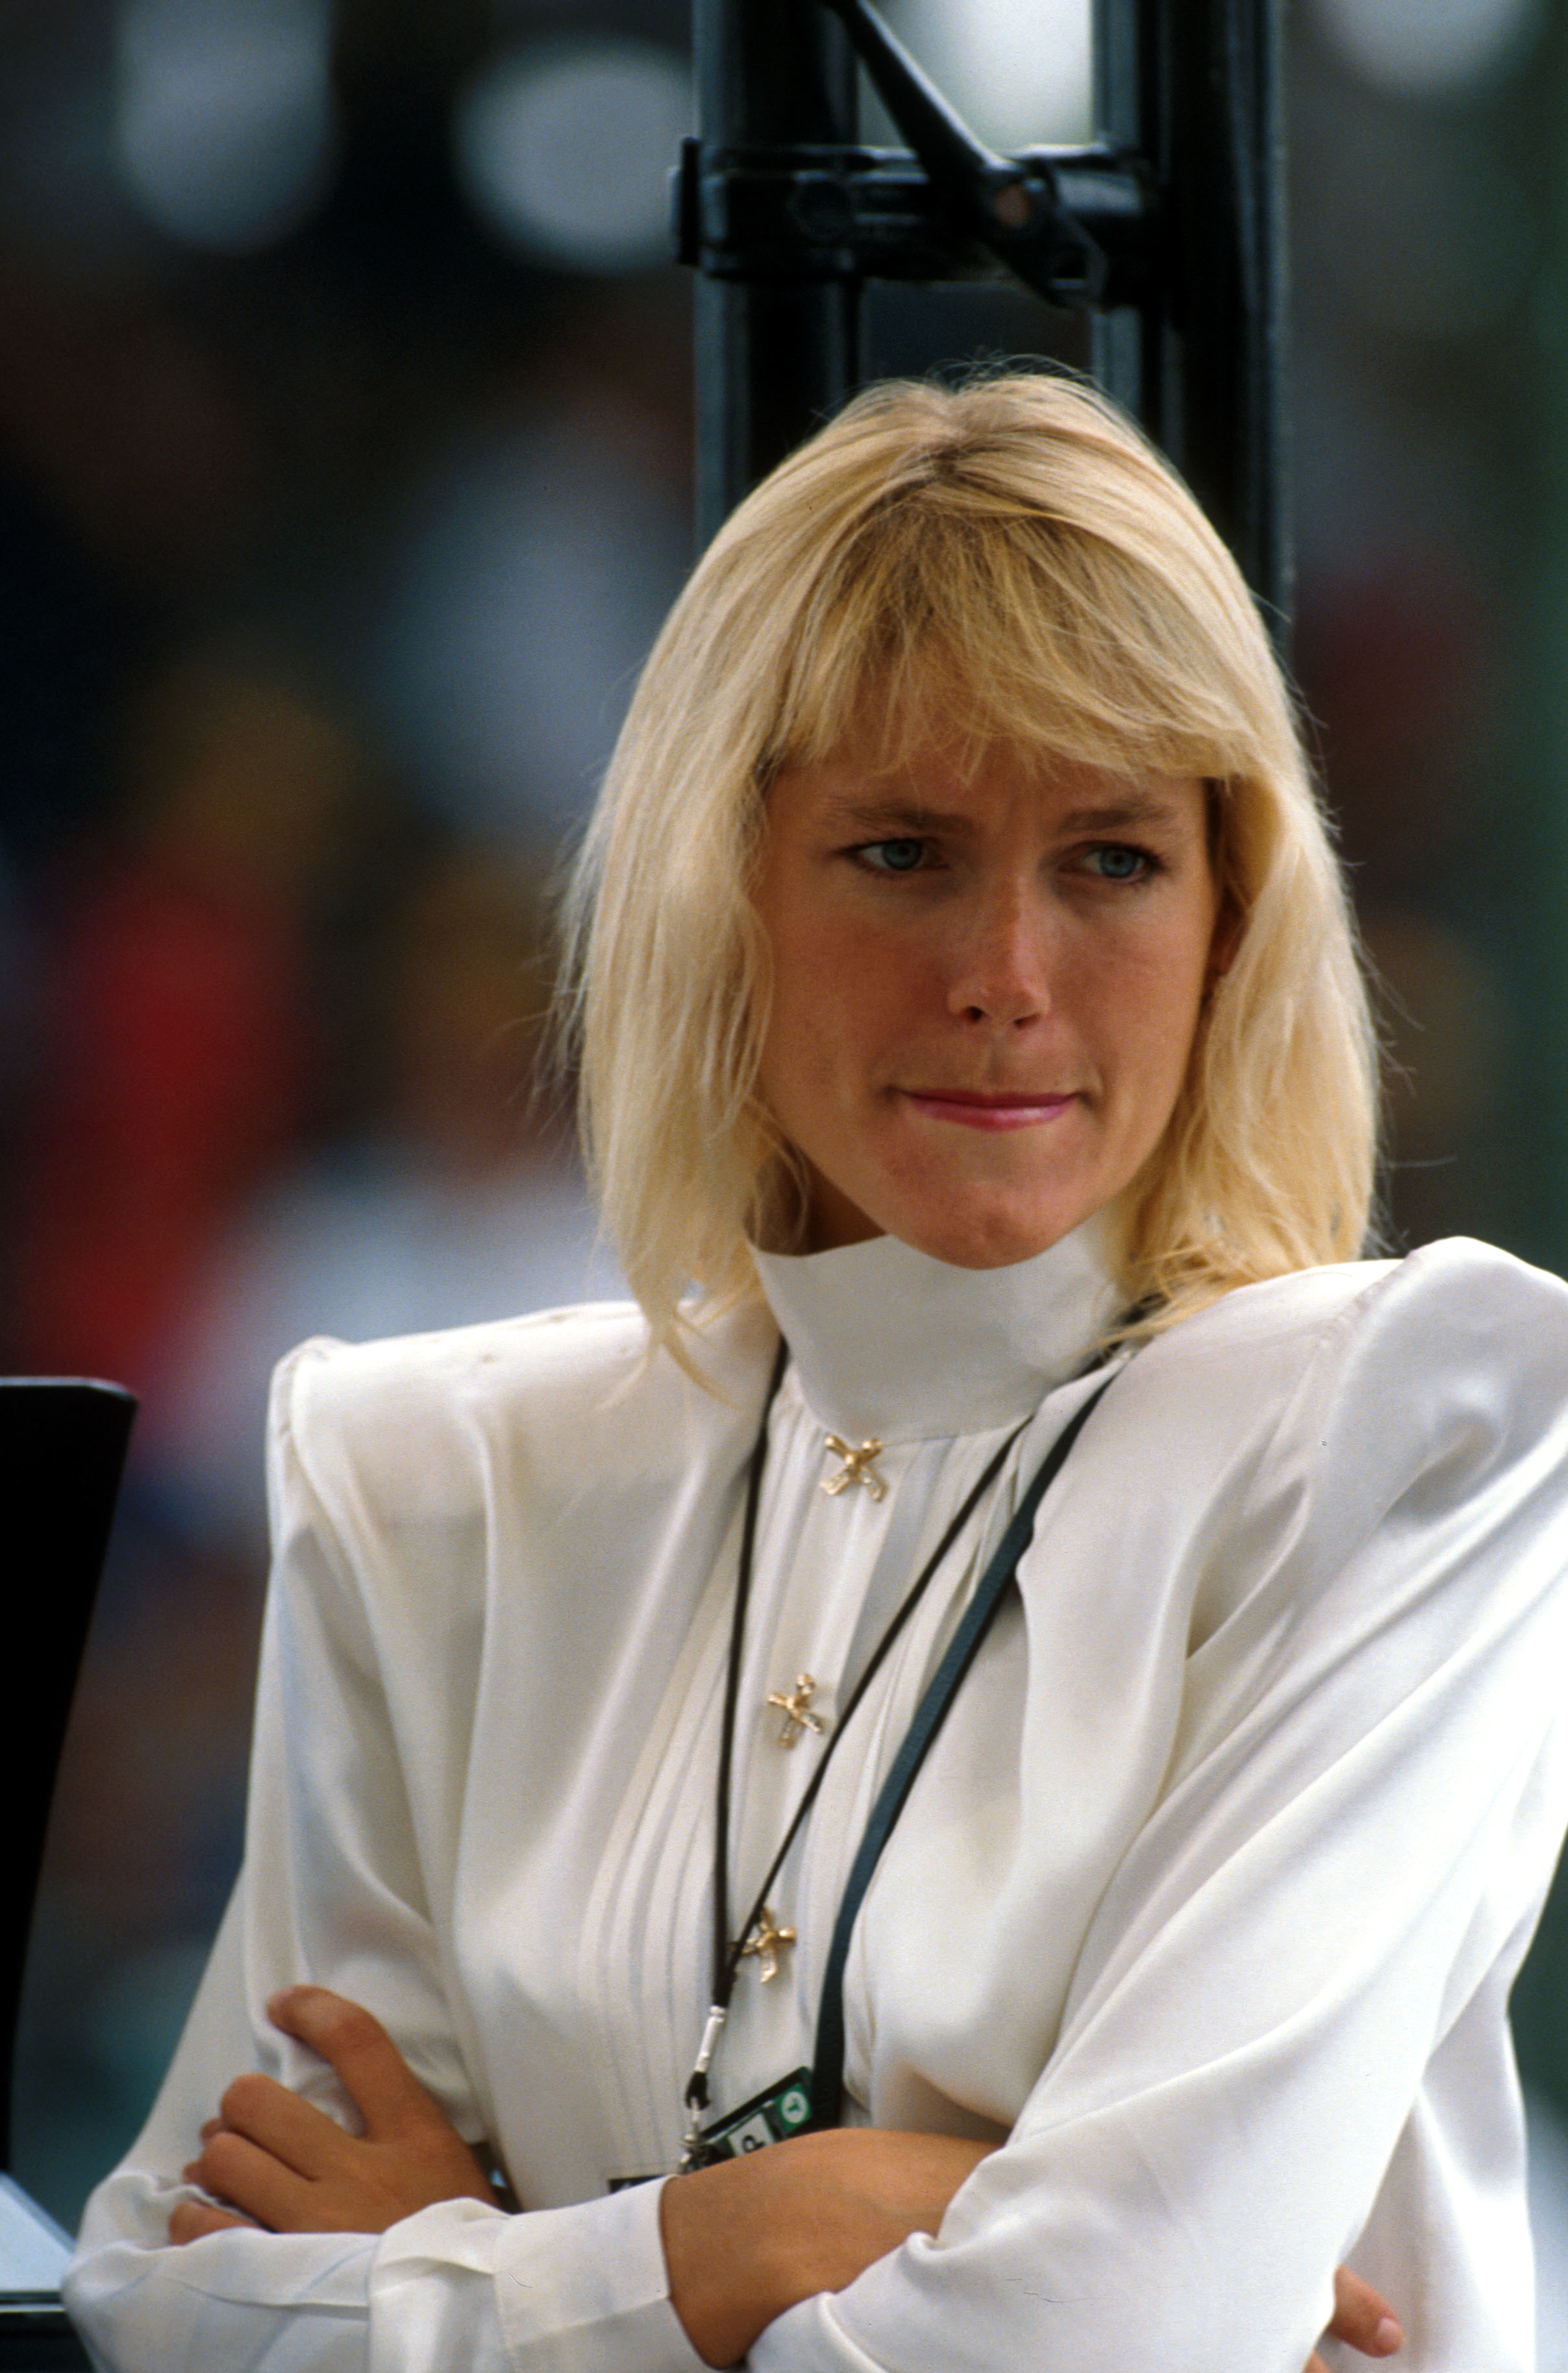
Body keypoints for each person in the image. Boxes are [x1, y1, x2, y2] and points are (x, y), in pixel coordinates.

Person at [64, 373, 1568, 2372]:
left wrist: (491, 2269)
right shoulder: (441, 1478)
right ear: (726, 899)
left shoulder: (1413, 1433)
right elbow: (173, 2307)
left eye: (1112, 860)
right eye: (899, 851)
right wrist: (778, 2230)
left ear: (1234, 918)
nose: (1007, 974)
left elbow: (1107, 2328)